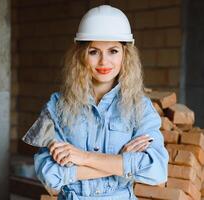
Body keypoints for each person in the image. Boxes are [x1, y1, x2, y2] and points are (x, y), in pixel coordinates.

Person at [22, 5, 168, 200]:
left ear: (126, 55)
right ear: (81, 55)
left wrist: (83, 157)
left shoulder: (140, 107)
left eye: (113, 51)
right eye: (94, 52)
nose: (103, 62)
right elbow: (49, 175)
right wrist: (120, 162)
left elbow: (157, 172)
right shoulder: (56, 106)